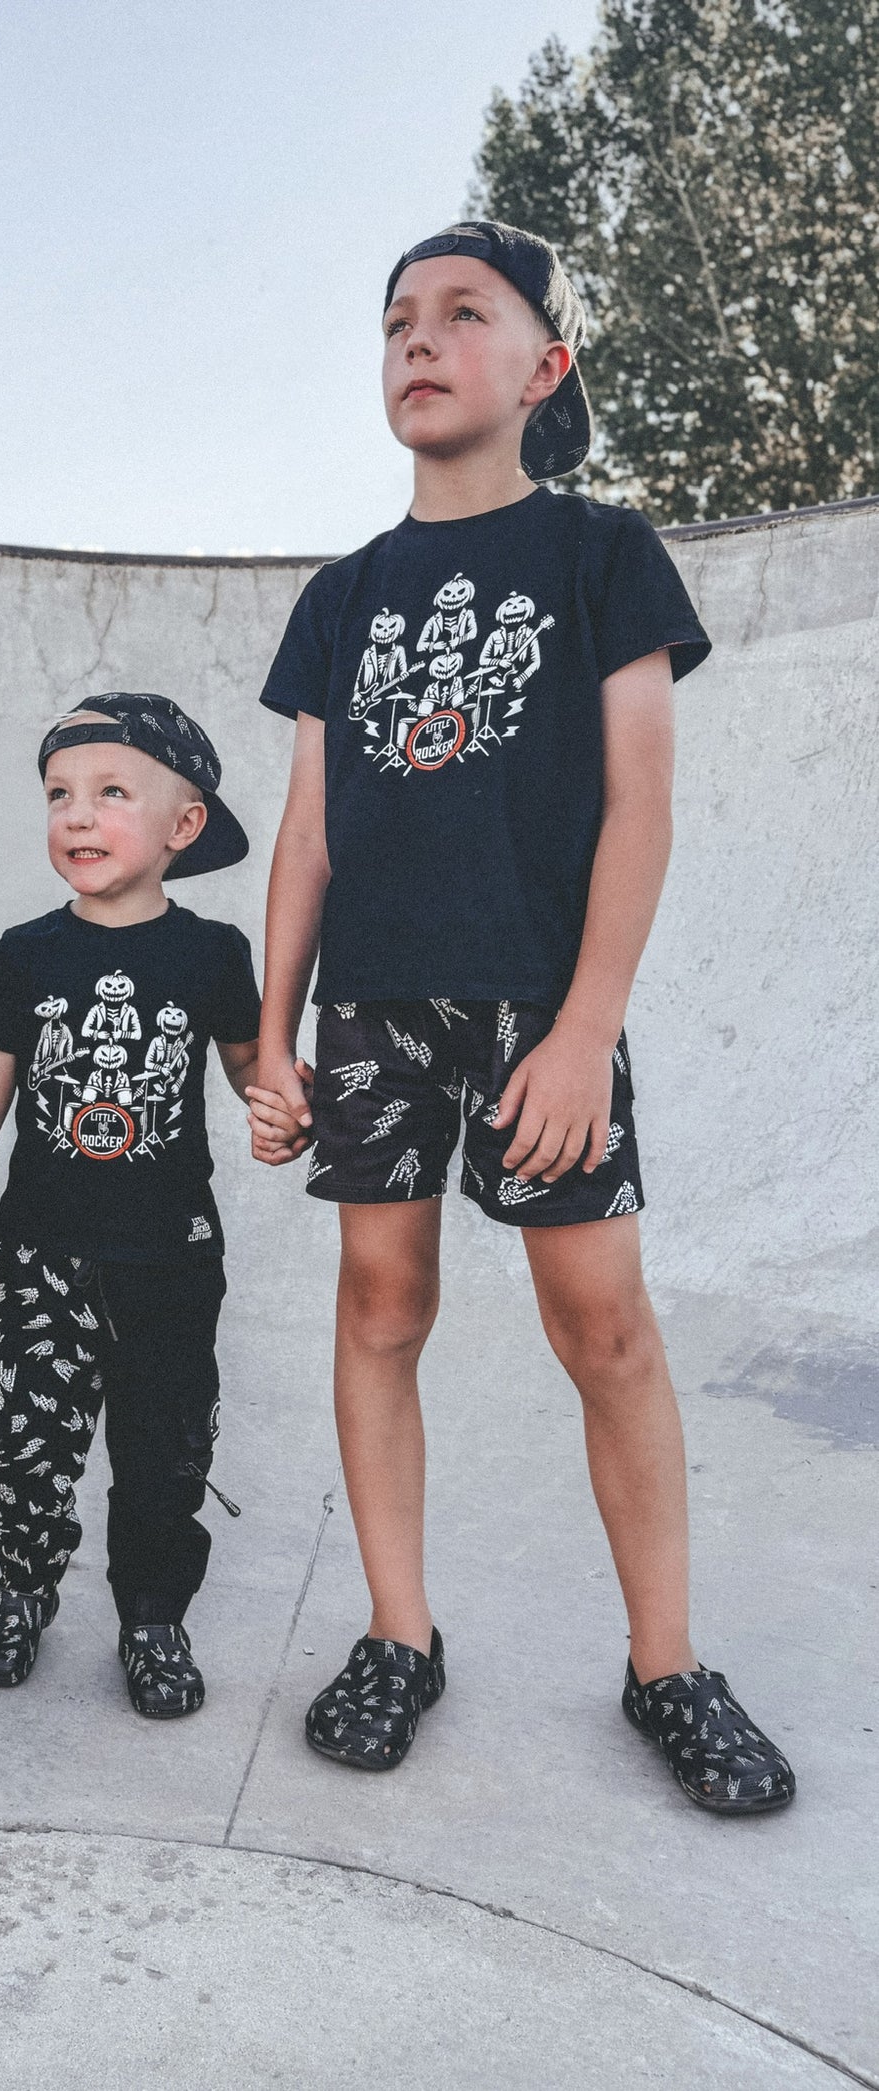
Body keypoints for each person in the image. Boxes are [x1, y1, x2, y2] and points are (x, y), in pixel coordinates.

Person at [249, 222, 795, 1813]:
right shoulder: (344, 595)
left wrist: (583, 1024)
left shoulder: (600, 553)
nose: (418, 341)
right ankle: (398, 1632)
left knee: (603, 1325)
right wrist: (272, 1035)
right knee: (378, 1304)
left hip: (539, 1010)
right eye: (396, 321)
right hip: (371, 1007)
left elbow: (641, 801)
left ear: (544, 364)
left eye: (460, 314)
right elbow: (309, 833)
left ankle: (669, 1663)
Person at [0, 695, 262, 1717]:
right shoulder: (28, 952)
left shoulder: (212, 953)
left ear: (183, 825)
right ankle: (23, 1587)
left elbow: (250, 1067)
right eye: (60, 795)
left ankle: (151, 1618)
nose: (78, 815)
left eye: (111, 793)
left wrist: (285, 1104)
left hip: (171, 1257)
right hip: (41, 1253)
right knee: (26, 1439)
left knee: (164, 1454)